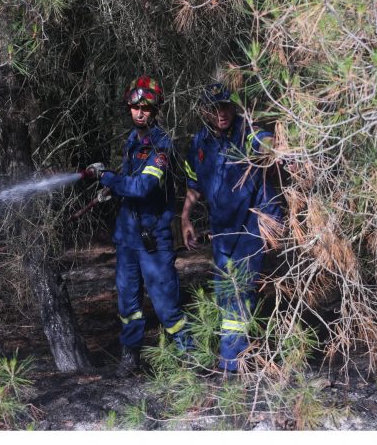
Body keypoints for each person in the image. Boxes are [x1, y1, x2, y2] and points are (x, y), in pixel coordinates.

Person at [84, 75, 191, 377]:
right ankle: (131, 358)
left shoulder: (161, 146)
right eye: (135, 106)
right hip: (128, 238)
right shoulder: (131, 142)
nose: (140, 112)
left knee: (167, 306)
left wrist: (107, 179)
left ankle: (189, 361)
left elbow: (144, 186)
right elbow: (129, 183)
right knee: (128, 304)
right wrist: (113, 189)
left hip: (152, 240)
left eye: (147, 107)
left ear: (156, 109)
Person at [180, 83, 283, 374]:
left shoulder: (245, 130)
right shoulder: (201, 142)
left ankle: (232, 362)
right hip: (223, 230)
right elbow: (194, 185)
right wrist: (185, 218)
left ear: (233, 106)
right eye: (214, 108)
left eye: (225, 106)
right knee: (226, 291)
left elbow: (264, 142)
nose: (221, 113)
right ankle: (237, 355)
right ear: (204, 111)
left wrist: (276, 145)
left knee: (239, 290)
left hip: (252, 223)